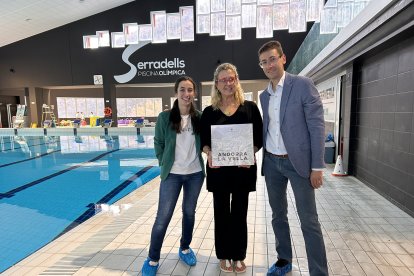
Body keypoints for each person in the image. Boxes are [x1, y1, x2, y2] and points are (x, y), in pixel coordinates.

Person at [258, 40, 328, 276]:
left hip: (298, 163)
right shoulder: (264, 95)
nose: (269, 65)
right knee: (278, 215)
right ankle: (283, 260)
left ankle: (319, 272)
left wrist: (317, 166)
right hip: (272, 162)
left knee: (309, 220)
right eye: (264, 62)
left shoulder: (302, 85)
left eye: (272, 59)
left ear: (283, 58)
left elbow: (317, 126)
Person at [200, 63, 263, 273]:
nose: (228, 83)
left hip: (242, 170)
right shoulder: (210, 112)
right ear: (216, 84)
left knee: (239, 213)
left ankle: (238, 255)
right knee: (221, 213)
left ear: (236, 80)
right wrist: (209, 153)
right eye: (223, 80)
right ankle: (223, 254)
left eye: (231, 78)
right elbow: (204, 142)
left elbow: (259, 139)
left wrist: (250, 152)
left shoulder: (250, 108)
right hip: (219, 171)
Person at [141, 76, 205, 276]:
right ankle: (152, 259)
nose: (186, 94)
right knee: (163, 217)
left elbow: (208, 140)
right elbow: (158, 143)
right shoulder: (164, 117)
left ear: (194, 93)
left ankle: (184, 248)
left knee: (189, 213)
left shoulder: (200, 117)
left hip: (195, 174)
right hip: (172, 175)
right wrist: (164, 162)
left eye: (190, 90)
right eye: (182, 90)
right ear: (176, 93)